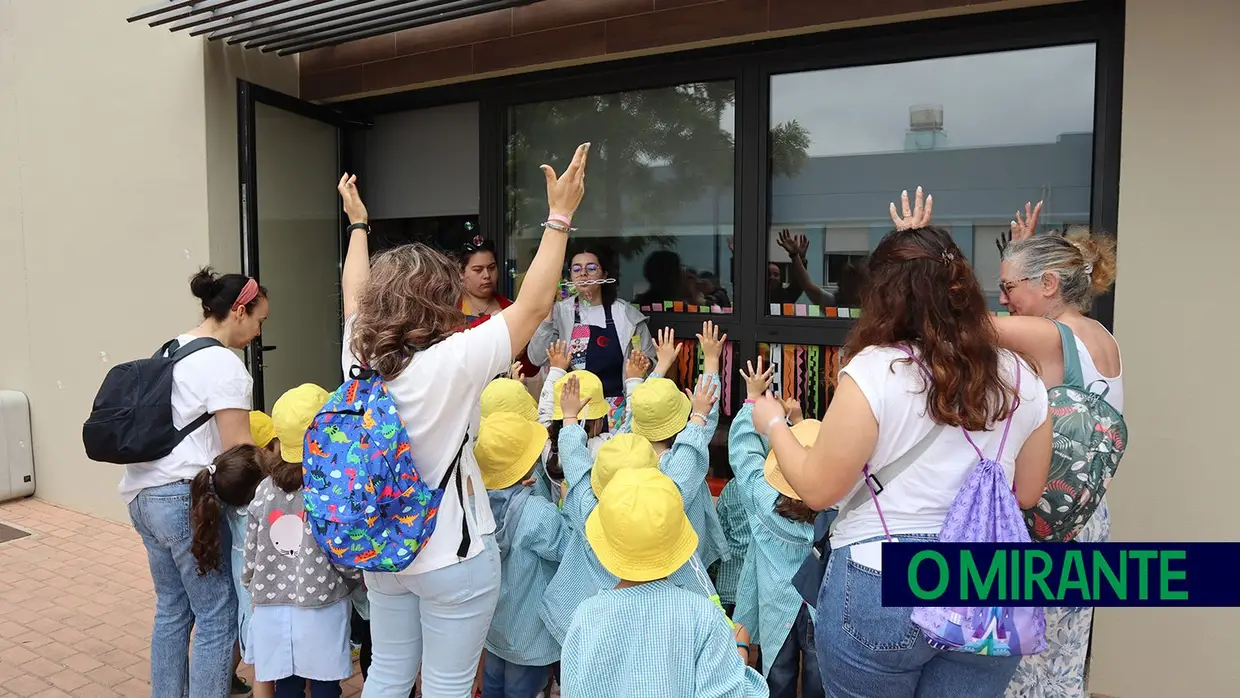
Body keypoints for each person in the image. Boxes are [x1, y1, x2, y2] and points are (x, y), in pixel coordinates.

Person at [751, 223, 1052, 697]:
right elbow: (1029, 493)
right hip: (983, 580)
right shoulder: (1023, 377)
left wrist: (772, 424)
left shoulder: (876, 370)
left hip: (884, 574)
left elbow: (817, 489)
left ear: (885, 295)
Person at [336, 142, 589, 698]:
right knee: (448, 685)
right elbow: (535, 307)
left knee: (387, 674)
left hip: (382, 547)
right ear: (438, 299)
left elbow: (352, 291)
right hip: (451, 553)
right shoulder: (452, 362)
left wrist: (358, 226)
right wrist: (559, 216)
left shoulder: (358, 352)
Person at [887, 193, 1121, 698]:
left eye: (1009, 287)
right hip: (1087, 519)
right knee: (1063, 657)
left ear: (1050, 284)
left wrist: (921, 252)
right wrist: (1022, 254)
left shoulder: (1047, 336)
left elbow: (954, 327)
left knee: (1015, 659)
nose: (1004, 299)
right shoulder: (1101, 336)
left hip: (1041, 525)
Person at [120, 267, 267, 698]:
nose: (258, 333)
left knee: (171, 609)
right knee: (217, 617)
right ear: (239, 311)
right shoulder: (224, 365)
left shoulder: (172, 348)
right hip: (186, 501)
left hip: (142, 497)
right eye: (260, 321)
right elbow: (237, 452)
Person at [560, 468, 768, 698]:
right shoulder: (704, 617)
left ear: (605, 547)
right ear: (678, 543)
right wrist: (740, 651)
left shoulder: (585, 617)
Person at [243, 384, 360, 698]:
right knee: (324, 680)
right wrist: (353, 580)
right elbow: (343, 549)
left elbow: (251, 547)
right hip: (324, 601)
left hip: (271, 601)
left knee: (287, 681)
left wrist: (252, 582)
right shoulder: (332, 489)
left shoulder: (265, 489)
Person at [730, 357, 822, 698]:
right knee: (818, 672)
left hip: (775, 604)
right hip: (817, 604)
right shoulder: (836, 511)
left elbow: (743, 454)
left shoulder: (764, 500)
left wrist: (753, 400)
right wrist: (798, 422)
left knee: (778, 671)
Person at [475, 412, 567, 698]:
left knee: (493, 685)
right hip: (529, 634)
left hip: (494, 626)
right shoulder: (537, 514)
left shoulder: (474, 507)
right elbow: (566, 548)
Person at [629, 321, 729, 570]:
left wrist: (660, 366)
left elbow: (642, 407)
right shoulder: (685, 457)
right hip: (689, 560)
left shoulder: (629, 448)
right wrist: (711, 359)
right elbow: (704, 420)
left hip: (647, 555)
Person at [528, 242, 656, 432]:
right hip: (572, 409)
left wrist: (643, 365)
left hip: (617, 411)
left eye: (591, 268)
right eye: (576, 269)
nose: (583, 274)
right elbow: (536, 357)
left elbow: (651, 365)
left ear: (605, 275)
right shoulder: (560, 312)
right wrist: (547, 318)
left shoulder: (627, 315)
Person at [458, 234, 538, 378]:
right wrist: (491, 322)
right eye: (478, 270)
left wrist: (520, 353)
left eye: (492, 267)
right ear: (461, 273)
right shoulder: (449, 309)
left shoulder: (511, 308)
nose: (487, 275)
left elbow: (531, 370)